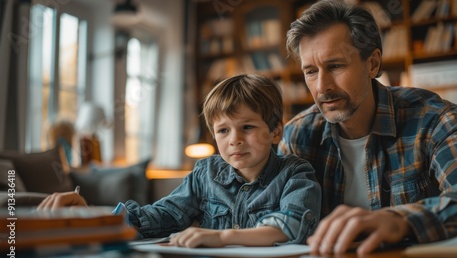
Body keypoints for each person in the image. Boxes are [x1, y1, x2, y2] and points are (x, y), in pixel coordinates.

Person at [278, 0, 457, 256]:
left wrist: (401, 220)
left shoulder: (430, 117)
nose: (321, 87)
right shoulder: (298, 136)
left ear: (372, 64)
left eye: (335, 66)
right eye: (310, 72)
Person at [38, 74, 321, 248]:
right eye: (223, 130)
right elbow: (159, 217)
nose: (234, 139)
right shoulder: (206, 172)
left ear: (275, 132)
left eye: (247, 127)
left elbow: (291, 226)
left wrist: (222, 238)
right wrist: (90, 214)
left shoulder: (295, 173)